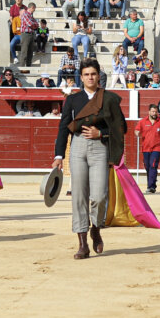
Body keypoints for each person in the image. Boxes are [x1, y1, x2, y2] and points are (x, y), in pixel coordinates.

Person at [52, 58, 127, 260]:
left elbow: (121, 128)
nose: (90, 77)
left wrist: (100, 133)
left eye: (93, 74)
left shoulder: (109, 98)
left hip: (100, 148)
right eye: (86, 74)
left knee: (100, 195)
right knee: (78, 195)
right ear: (81, 77)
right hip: (77, 147)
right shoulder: (73, 100)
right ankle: (83, 243)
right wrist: (59, 155)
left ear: (98, 76)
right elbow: (63, 127)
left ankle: (96, 227)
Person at [136, 104, 160, 194]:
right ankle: (152, 183)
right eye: (153, 111)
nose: (154, 113)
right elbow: (137, 130)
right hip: (146, 148)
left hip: (157, 147)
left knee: (153, 165)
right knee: (147, 166)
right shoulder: (142, 121)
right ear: (149, 112)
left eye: (156, 112)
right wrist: (137, 133)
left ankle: (151, 187)